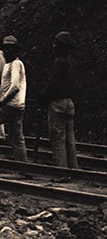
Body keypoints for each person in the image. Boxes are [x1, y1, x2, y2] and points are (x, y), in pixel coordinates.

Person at [39, 31, 78, 169]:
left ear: (63, 47)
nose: (54, 46)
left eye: (57, 44)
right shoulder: (71, 61)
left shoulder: (59, 62)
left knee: (57, 139)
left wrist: (43, 96)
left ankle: (61, 170)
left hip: (58, 103)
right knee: (70, 139)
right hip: (69, 103)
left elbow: (54, 84)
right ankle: (73, 168)